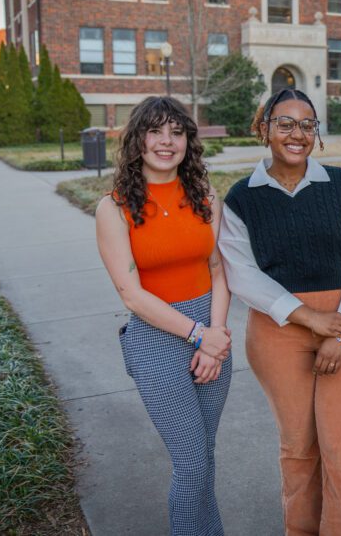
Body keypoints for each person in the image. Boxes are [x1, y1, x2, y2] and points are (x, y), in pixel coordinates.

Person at [219, 88, 341, 536]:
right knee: (298, 447)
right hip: (278, 332)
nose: (297, 134)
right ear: (264, 128)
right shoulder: (241, 198)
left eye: (307, 125)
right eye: (285, 123)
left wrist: (340, 329)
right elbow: (243, 274)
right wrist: (310, 319)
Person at [94, 96, 233, 536]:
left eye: (176, 132)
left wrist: (216, 335)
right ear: (137, 140)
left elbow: (218, 271)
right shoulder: (113, 208)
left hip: (210, 333)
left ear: (188, 142)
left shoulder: (206, 197)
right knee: (190, 464)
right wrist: (199, 336)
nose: (166, 142)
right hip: (157, 341)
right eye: (156, 131)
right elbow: (131, 295)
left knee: (205, 456)